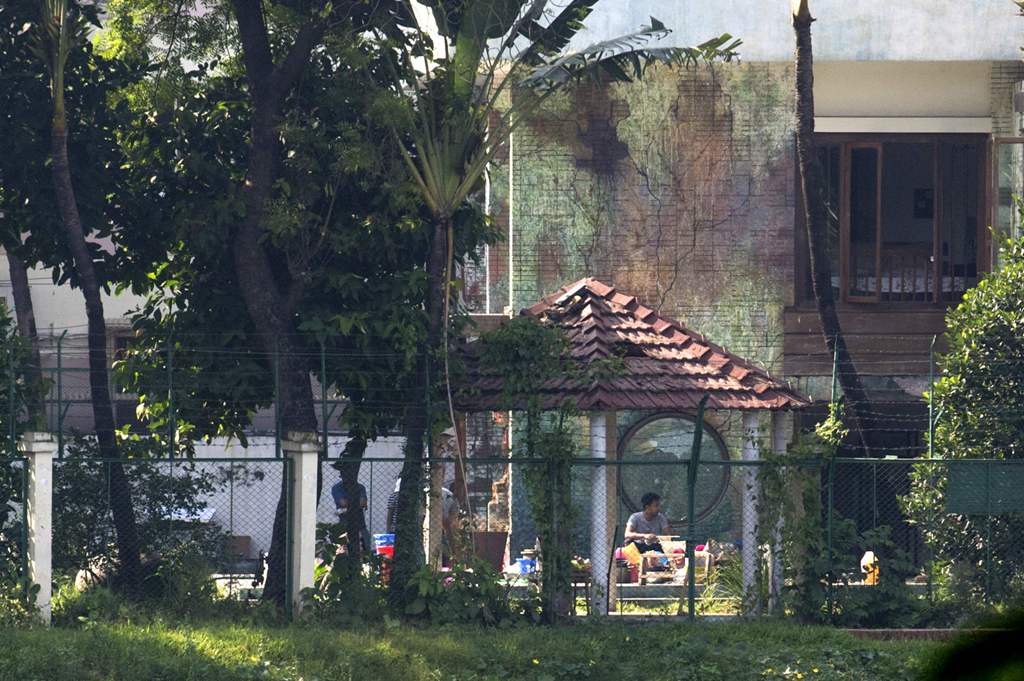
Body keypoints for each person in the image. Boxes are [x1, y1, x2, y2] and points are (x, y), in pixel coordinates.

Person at [331, 475, 371, 553]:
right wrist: (357, 503)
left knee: (366, 547)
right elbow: (343, 503)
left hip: (360, 524)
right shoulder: (337, 488)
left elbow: (363, 502)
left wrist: (347, 507)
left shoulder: (360, 487)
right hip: (344, 524)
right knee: (344, 551)